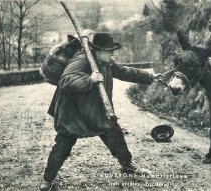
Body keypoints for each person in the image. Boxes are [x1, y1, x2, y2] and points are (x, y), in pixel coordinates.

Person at [39, 32, 161, 191]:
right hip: (72, 112)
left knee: (114, 134)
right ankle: (47, 179)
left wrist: (149, 77)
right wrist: (89, 80)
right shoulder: (82, 60)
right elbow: (65, 80)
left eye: (112, 50)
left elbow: (124, 71)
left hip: (95, 109)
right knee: (63, 144)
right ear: (97, 50)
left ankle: (127, 164)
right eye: (109, 50)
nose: (112, 53)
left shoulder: (106, 62)